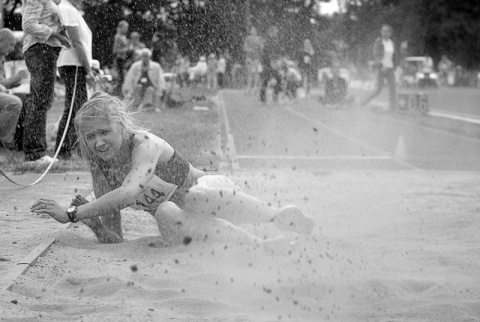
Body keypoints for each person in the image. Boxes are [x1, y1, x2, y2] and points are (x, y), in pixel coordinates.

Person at [30, 92, 314, 249]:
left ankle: (278, 217)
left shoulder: (144, 143)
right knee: (165, 212)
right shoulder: (99, 163)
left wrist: (71, 214)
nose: (98, 142)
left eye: (105, 132)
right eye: (90, 137)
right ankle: (263, 247)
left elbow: (130, 192)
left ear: (122, 126)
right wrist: (95, 225)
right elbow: (116, 241)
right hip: (183, 217)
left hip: (210, 189)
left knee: (193, 198)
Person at [22, 0, 72, 163]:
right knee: (39, 101)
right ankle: (34, 152)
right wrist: (55, 34)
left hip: (46, 50)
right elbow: (29, 25)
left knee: (42, 100)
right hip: (40, 50)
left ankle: (35, 150)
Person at [55, 0, 94, 159]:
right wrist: (88, 68)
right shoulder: (66, 9)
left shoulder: (71, 9)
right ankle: (63, 150)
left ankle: (77, 149)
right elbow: (76, 41)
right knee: (75, 108)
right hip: (74, 64)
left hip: (75, 64)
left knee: (79, 108)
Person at [361, 24, 398, 111]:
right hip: (381, 69)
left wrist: (394, 66)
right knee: (378, 89)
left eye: (386, 31)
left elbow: (394, 56)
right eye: (383, 31)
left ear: (390, 33)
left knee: (392, 88)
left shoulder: (391, 43)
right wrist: (381, 65)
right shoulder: (378, 42)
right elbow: (376, 54)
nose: (384, 33)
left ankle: (393, 107)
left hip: (389, 68)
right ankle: (363, 102)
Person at [0, 28, 27, 147]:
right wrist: (17, 77)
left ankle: (17, 142)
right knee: (14, 103)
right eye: (10, 44)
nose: (12, 49)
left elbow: (2, 84)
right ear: (1, 41)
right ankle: (4, 141)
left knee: (24, 100)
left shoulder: (1, 58)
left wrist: (14, 82)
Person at [259, 26, 283, 103]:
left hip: (273, 62)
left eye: (276, 32)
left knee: (278, 78)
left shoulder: (276, 41)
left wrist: (278, 60)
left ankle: (274, 95)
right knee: (266, 79)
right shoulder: (266, 41)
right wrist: (270, 61)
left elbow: (278, 52)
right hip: (267, 62)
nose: (276, 34)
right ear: (271, 32)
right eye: (275, 32)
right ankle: (263, 97)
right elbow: (265, 53)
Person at [243, 26, 263, 95]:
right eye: (252, 30)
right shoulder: (247, 38)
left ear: (256, 31)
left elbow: (261, 48)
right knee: (249, 73)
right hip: (249, 57)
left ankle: (255, 87)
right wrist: (250, 50)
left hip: (256, 58)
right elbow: (245, 48)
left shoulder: (259, 38)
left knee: (256, 73)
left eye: (255, 30)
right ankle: (248, 87)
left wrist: (260, 45)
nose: (253, 31)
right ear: (250, 31)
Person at [112, 20, 129, 97]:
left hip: (124, 59)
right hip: (119, 59)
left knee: (122, 77)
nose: (126, 29)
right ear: (121, 27)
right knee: (120, 77)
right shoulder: (118, 37)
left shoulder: (124, 37)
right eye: (125, 27)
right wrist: (125, 50)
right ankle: (117, 93)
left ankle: (119, 93)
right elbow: (115, 50)